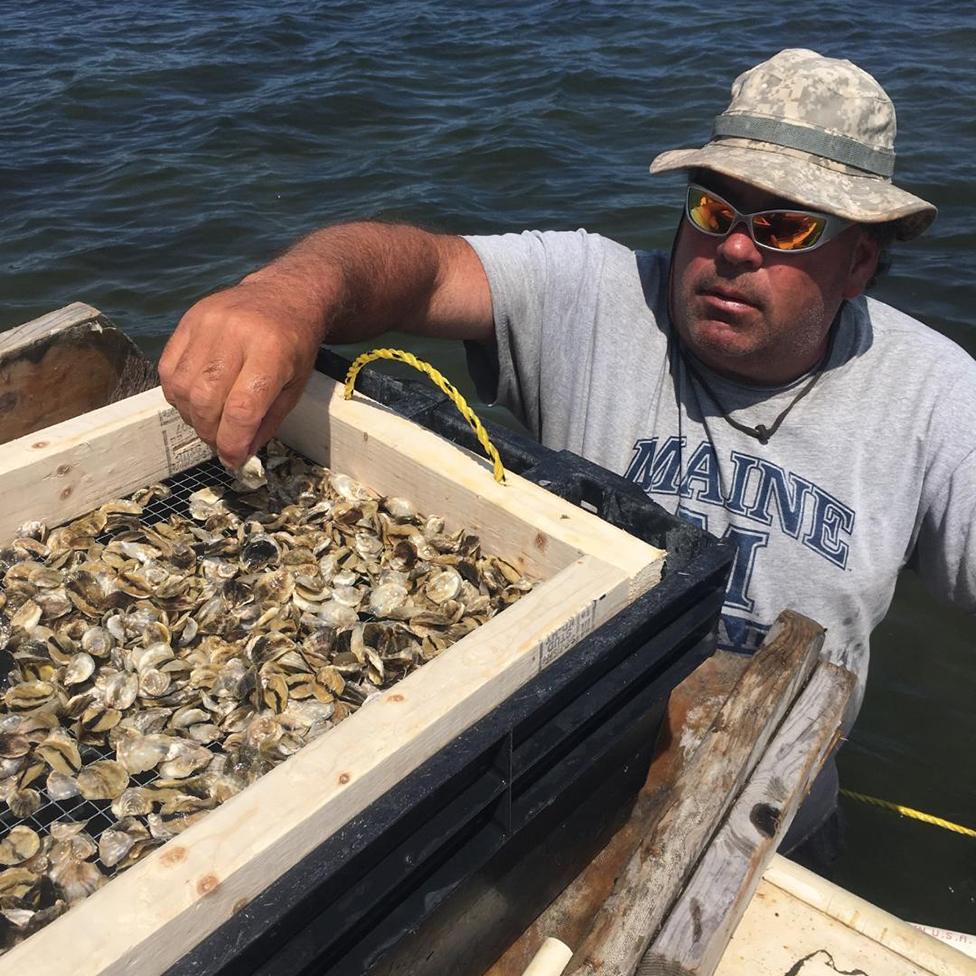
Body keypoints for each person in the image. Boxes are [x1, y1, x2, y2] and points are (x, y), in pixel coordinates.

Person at [159, 49, 976, 867]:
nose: (733, 250)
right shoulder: (594, 295)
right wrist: (288, 294)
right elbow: (419, 268)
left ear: (862, 260)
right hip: (549, 800)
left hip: (771, 823)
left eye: (786, 227)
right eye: (714, 209)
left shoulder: (937, 399)